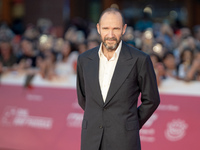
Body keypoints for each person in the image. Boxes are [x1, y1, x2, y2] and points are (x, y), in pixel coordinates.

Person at [76, 8, 160, 150]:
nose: (110, 34)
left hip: (124, 140)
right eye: (106, 28)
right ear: (98, 28)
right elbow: (83, 97)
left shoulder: (140, 59)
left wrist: (130, 124)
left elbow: (152, 100)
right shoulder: (84, 59)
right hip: (91, 139)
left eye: (115, 28)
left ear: (123, 29)